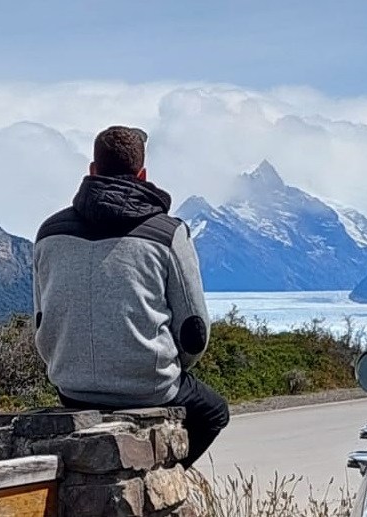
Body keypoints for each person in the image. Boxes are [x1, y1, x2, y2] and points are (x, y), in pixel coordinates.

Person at [33, 125, 229, 468]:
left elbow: (41, 321)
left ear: (92, 170)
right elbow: (194, 333)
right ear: (142, 175)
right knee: (214, 413)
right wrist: (165, 365)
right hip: (148, 387)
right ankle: (161, 474)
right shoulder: (168, 233)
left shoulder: (49, 233)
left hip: (72, 389)